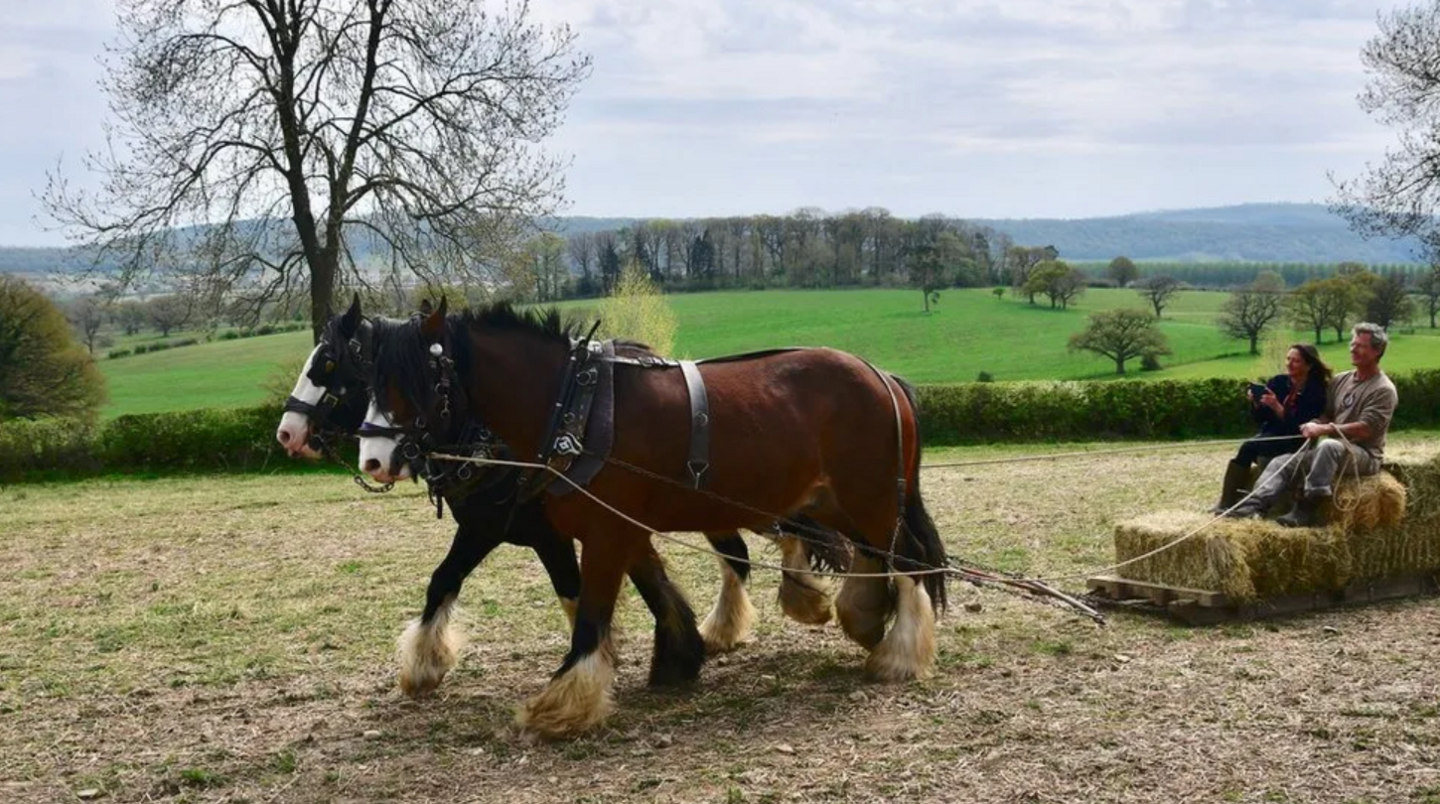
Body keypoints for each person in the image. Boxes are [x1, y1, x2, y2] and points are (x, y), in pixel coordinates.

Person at [1225, 323, 1399, 527]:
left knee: (1328, 445)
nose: (1353, 349)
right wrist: (1314, 422)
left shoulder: (1383, 389)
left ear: (1377, 351)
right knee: (1281, 462)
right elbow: (1327, 414)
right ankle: (1252, 507)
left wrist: (1324, 429)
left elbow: (1366, 428)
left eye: (1360, 345)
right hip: (1333, 452)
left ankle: (1306, 509)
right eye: (1352, 344)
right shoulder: (1341, 380)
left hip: (1363, 454)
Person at [1211, 344, 1332, 513]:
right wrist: (1256, 403)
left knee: (1254, 448)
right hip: (1272, 434)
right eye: (1288, 359)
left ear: (1309, 365)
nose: (1289, 364)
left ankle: (1256, 505)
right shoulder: (1278, 382)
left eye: (1296, 361)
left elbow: (1300, 428)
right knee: (1248, 447)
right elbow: (1260, 418)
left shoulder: (1316, 391)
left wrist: (1277, 406)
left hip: (1295, 439)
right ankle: (1226, 501)